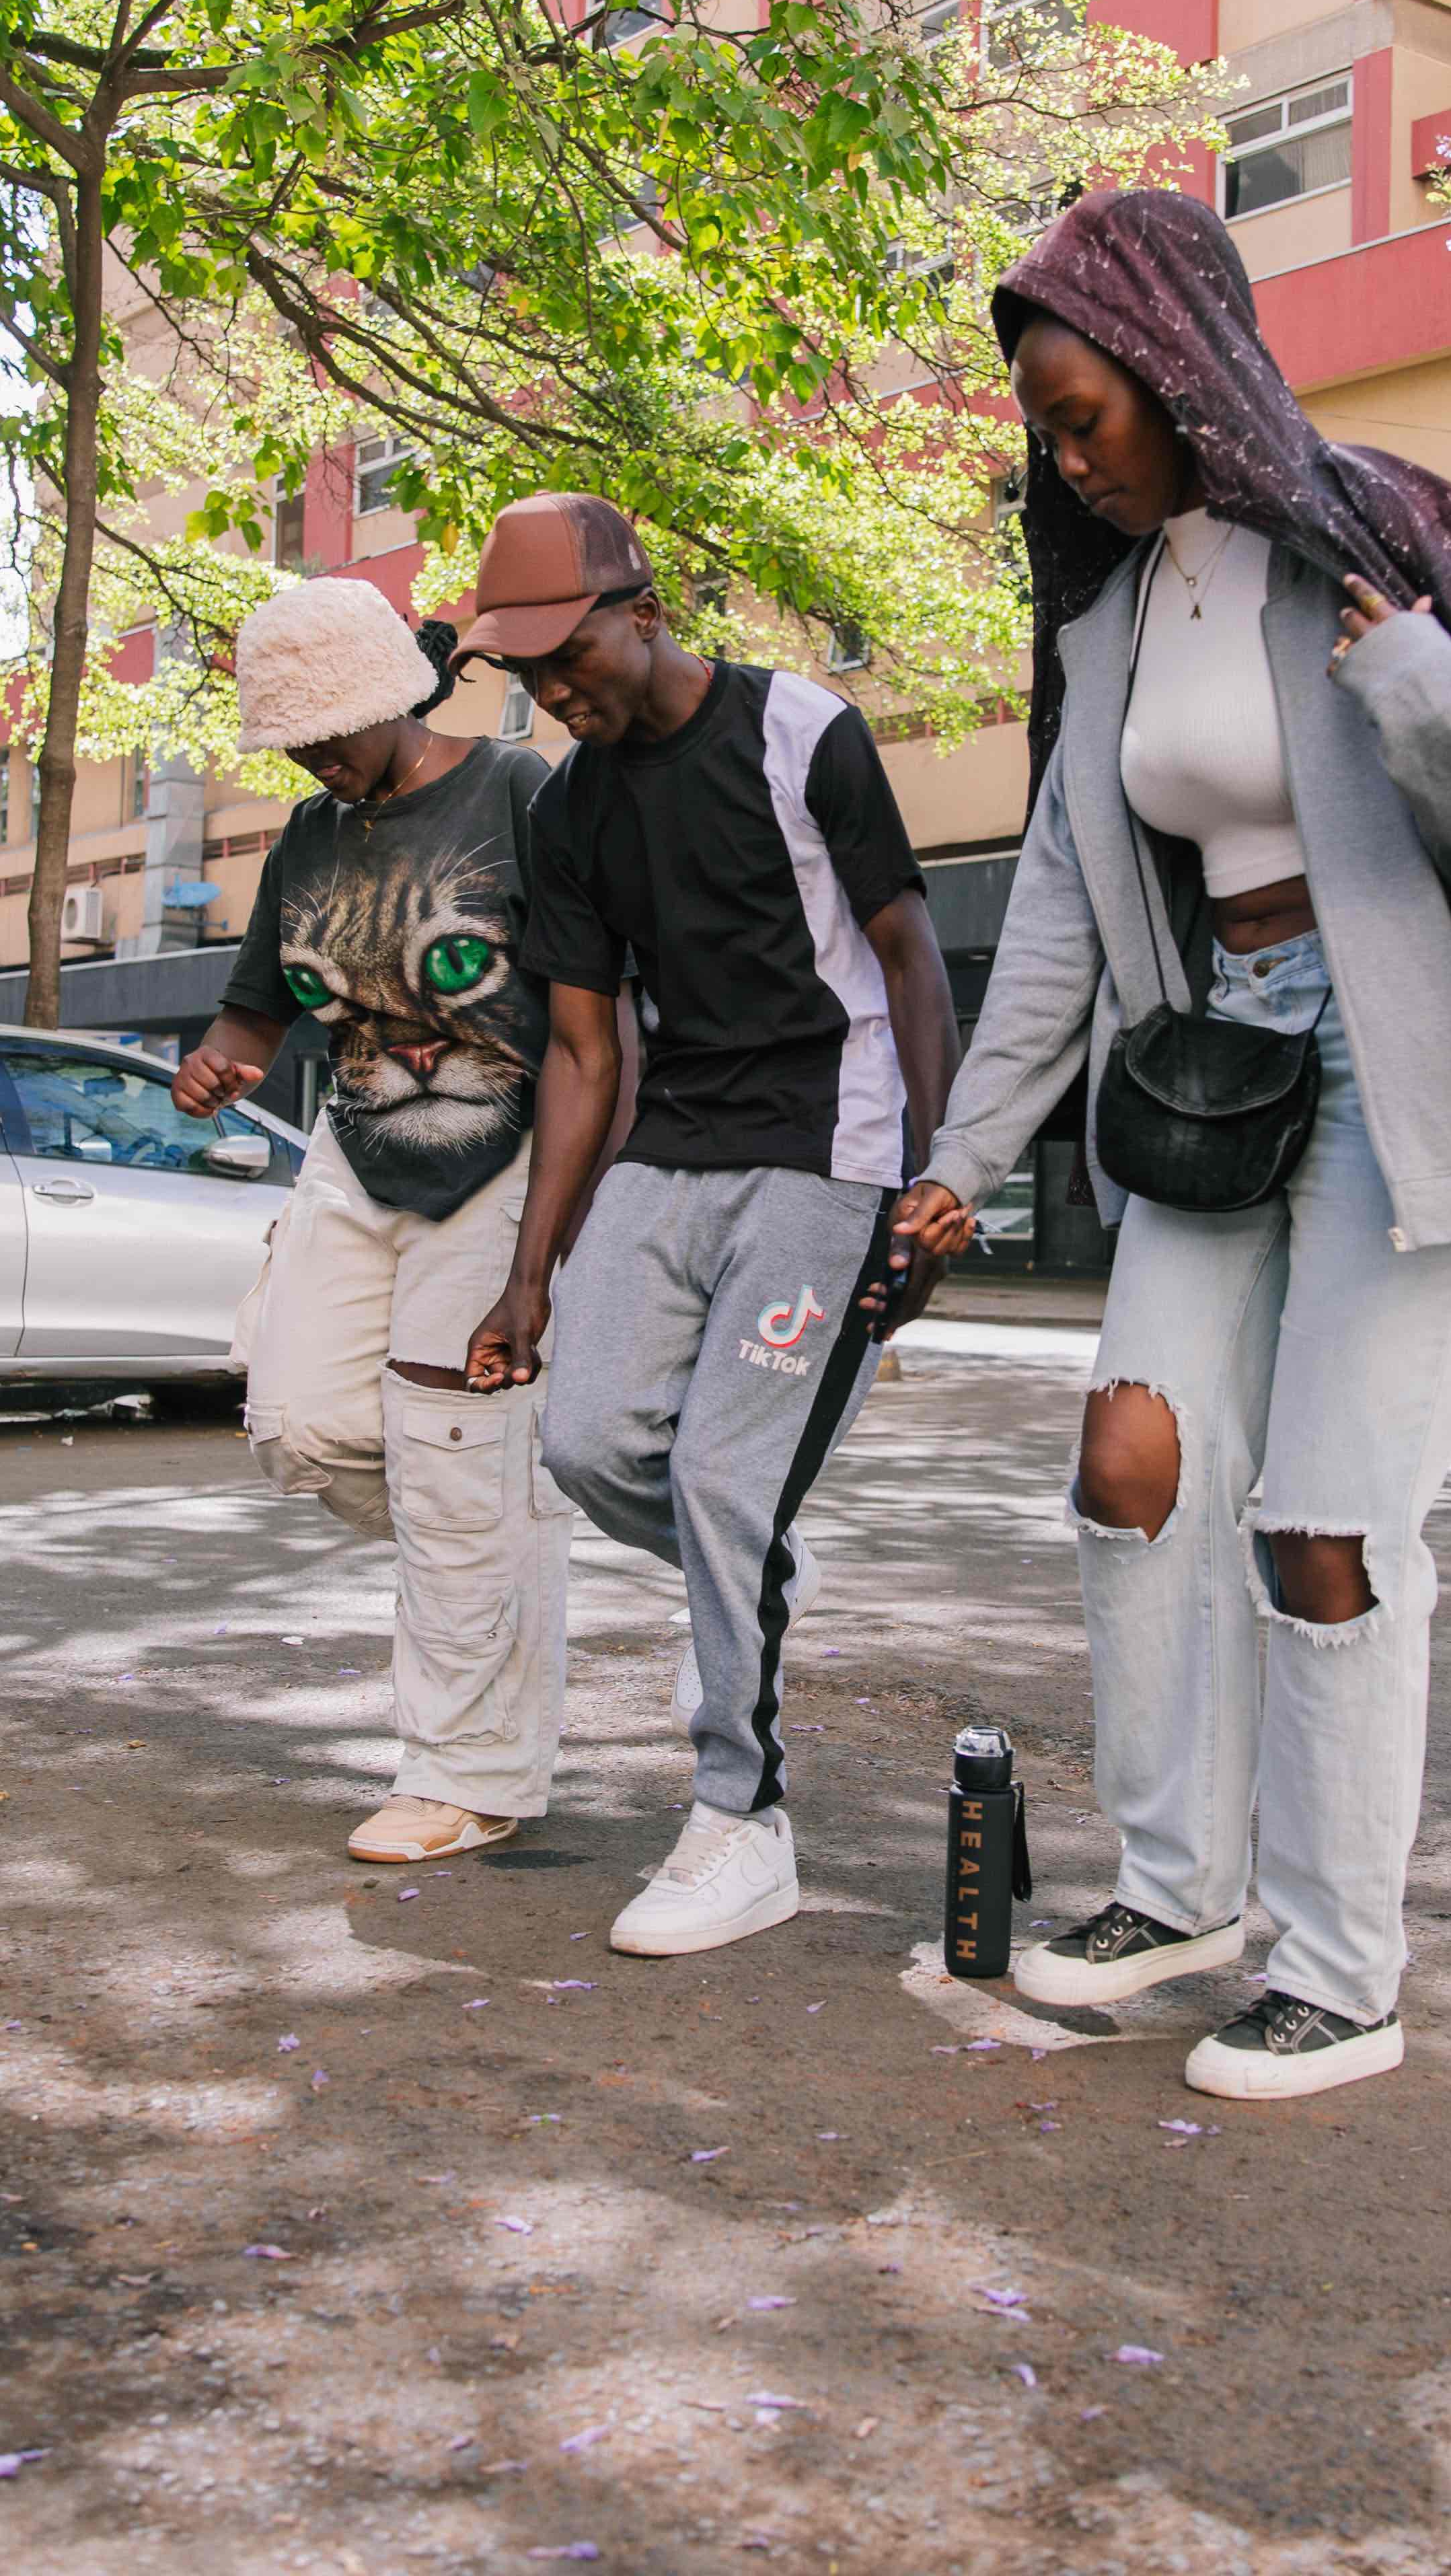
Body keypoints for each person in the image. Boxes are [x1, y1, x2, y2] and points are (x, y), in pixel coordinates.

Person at [889, 186, 1451, 2101]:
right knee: (1132, 1465)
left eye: (1086, 415)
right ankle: (1178, 1887)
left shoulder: (1372, 532)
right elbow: (1060, 914)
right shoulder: (1111, 623)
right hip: (1223, 1069)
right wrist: (963, 1160)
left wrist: (1426, 705)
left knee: (1327, 1524)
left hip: (1414, 1064)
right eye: (1045, 434)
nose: (1069, 460)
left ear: (1176, 366)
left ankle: (1344, 1974)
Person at [462, 490, 961, 1961]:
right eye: (527, 673)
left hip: (830, 1150)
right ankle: (748, 1566)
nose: (554, 692)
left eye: (570, 656)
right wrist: (529, 1277)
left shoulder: (804, 731)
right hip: (673, 1149)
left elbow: (910, 956)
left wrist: (938, 1178)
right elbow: (582, 1051)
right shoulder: (568, 809)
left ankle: (742, 1817)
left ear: (646, 610)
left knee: (724, 1479)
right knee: (584, 1442)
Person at [176, 586, 576, 1866]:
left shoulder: (516, 790)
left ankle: (466, 1775)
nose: (316, 757)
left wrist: (567, 1227)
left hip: (503, 1150)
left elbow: (596, 1009)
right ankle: (500, 1537)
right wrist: (220, 1062)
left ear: (396, 693)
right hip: (356, 1153)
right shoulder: (305, 837)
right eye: (294, 741)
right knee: (299, 1424)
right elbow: (257, 1012)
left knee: (456, 1464)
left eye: (332, 730)